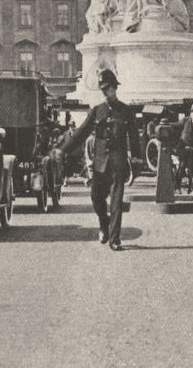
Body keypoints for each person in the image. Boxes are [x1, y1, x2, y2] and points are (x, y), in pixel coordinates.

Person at [54, 69, 140, 251]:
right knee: (95, 198)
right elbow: (81, 133)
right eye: (102, 89)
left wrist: (137, 160)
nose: (105, 92)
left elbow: (134, 137)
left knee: (116, 202)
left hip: (118, 162)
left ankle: (115, 239)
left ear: (114, 88)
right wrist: (62, 149)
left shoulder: (126, 111)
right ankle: (104, 223)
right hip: (100, 162)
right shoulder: (97, 111)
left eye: (107, 88)